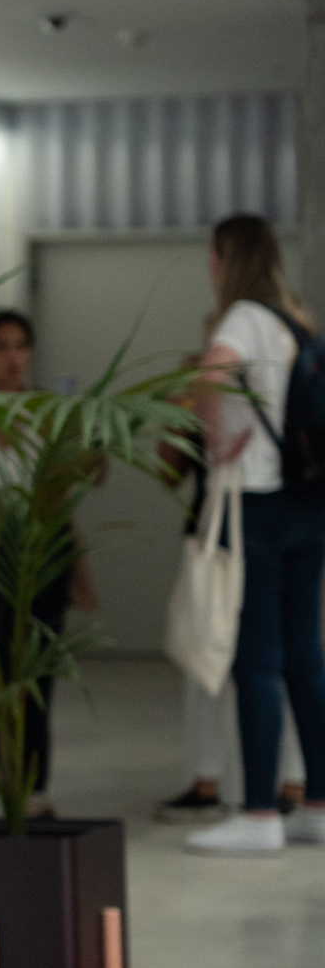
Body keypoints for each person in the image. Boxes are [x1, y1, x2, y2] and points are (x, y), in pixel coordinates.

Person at [184, 214, 325, 855]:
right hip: (306, 503)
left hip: (257, 505)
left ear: (226, 259)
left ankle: (261, 813)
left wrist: (216, 441)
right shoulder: (296, 321)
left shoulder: (241, 317)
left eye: (212, 256)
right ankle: (317, 806)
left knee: (256, 661)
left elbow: (209, 374)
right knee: (305, 657)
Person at [0, 309, 94, 817]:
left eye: (20, 347)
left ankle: (33, 785)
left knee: (36, 673)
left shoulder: (46, 411)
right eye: (1, 347)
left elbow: (78, 480)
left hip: (42, 550)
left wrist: (87, 444)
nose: (13, 358)